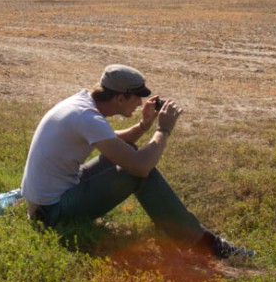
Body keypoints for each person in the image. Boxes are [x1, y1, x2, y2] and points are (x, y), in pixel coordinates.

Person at [20, 64, 254, 259]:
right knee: (138, 172)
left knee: (130, 151)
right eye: (137, 99)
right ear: (120, 98)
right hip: (52, 213)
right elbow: (141, 167)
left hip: (44, 203)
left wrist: (144, 125)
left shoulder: (82, 105)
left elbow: (114, 141)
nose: (140, 104)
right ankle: (204, 243)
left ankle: (174, 225)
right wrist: (163, 129)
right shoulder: (87, 118)